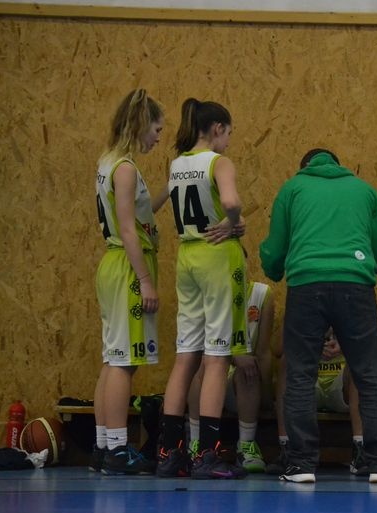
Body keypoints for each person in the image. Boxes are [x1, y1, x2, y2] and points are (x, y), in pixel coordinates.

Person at [260, 148, 377, 484]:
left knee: (299, 375)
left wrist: (274, 268)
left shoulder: (292, 188)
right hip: (356, 285)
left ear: (304, 167)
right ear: (339, 164)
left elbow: (274, 252)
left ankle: (301, 464)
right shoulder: (365, 191)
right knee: (369, 375)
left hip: (306, 284)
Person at [156, 98, 248, 480]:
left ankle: (168, 452)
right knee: (217, 358)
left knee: (185, 358)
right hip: (215, 256)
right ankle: (207, 454)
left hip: (187, 257)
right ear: (217, 129)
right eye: (228, 133)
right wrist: (232, 221)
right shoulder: (218, 162)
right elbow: (230, 201)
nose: (228, 141)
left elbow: (156, 203)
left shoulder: (177, 164)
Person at [93, 89, 165, 475]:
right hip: (126, 268)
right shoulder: (125, 168)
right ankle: (118, 450)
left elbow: (137, 215)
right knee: (124, 363)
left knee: (113, 359)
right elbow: (127, 229)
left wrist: (167, 190)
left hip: (114, 265)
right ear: (141, 124)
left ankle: (104, 445)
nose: (158, 137)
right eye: (157, 129)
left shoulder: (108, 162)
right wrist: (146, 280)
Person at [186, 277, 275, 473]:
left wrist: (268, 394)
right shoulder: (208, 291)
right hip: (213, 370)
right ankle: (196, 442)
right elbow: (200, 347)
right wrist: (234, 355)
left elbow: (263, 352)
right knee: (204, 365)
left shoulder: (262, 294)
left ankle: (246, 446)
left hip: (241, 384)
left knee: (248, 368)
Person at [267, 328, 365, 476]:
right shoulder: (303, 312)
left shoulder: (350, 312)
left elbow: (367, 346)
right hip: (309, 382)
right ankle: (286, 448)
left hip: (341, 383)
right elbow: (277, 349)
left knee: (359, 361)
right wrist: (313, 343)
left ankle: (360, 450)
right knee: (286, 361)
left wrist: (344, 345)